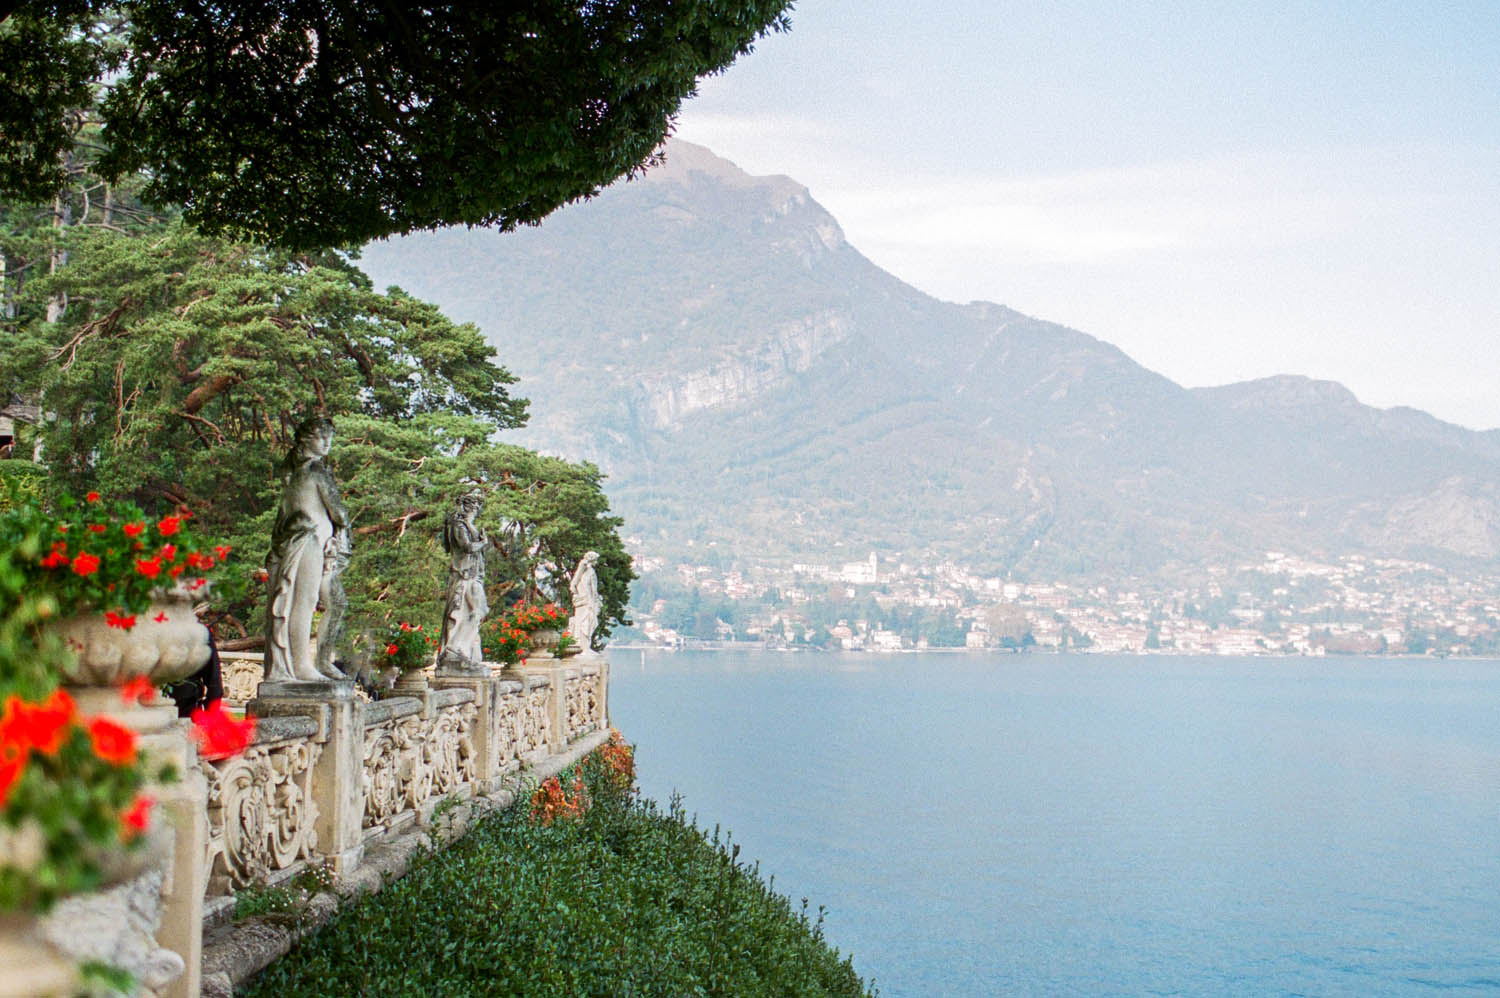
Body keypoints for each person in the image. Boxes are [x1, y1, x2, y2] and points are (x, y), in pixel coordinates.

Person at [263, 416, 350, 682]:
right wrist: (342, 526)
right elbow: (338, 512)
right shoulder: (314, 470)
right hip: (308, 541)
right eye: (320, 436)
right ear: (304, 439)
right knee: (304, 603)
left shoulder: (292, 472)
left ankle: (320, 662)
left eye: (329, 437)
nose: (327, 443)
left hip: (309, 543)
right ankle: (301, 665)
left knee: (334, 602)